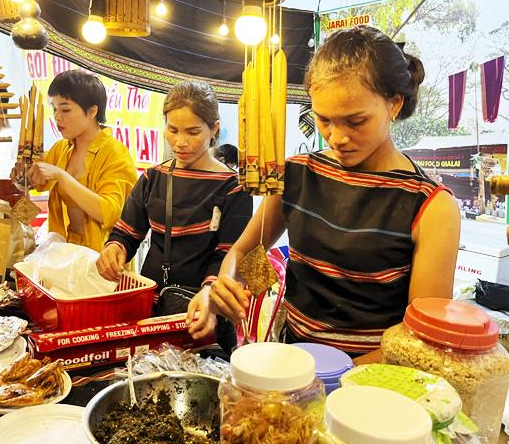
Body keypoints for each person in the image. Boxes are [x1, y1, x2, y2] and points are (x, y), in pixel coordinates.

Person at [187, 25, 460, 364]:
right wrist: (224, 285)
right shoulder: (296, 174)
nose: (337, 137)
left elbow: (422, 336)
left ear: (394, 104)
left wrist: (336, 376)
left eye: (355, 121)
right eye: (324, 119)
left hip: (374, 380)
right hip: (293, 361)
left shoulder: (431, 205)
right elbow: (246, 254)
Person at [96, 81, 253, 351]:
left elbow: (228, 254)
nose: (180, 143)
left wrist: (210, 295)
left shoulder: (233, 187)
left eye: (193, 132)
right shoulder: (151, 177)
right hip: (152, 312)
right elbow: (127, 231)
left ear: (214, 129)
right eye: (173, 130)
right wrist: (115, 248)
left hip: (204, 314)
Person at [11, 70, 138, 252]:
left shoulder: (115, 153)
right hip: (67, 250)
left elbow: (108, 212)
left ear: (92, 111)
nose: (57, 117)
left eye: (65, 109)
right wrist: (22, 179)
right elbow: (34, 183)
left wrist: (61, 176)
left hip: (102, 256)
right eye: (54, 109)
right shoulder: (61, 149)